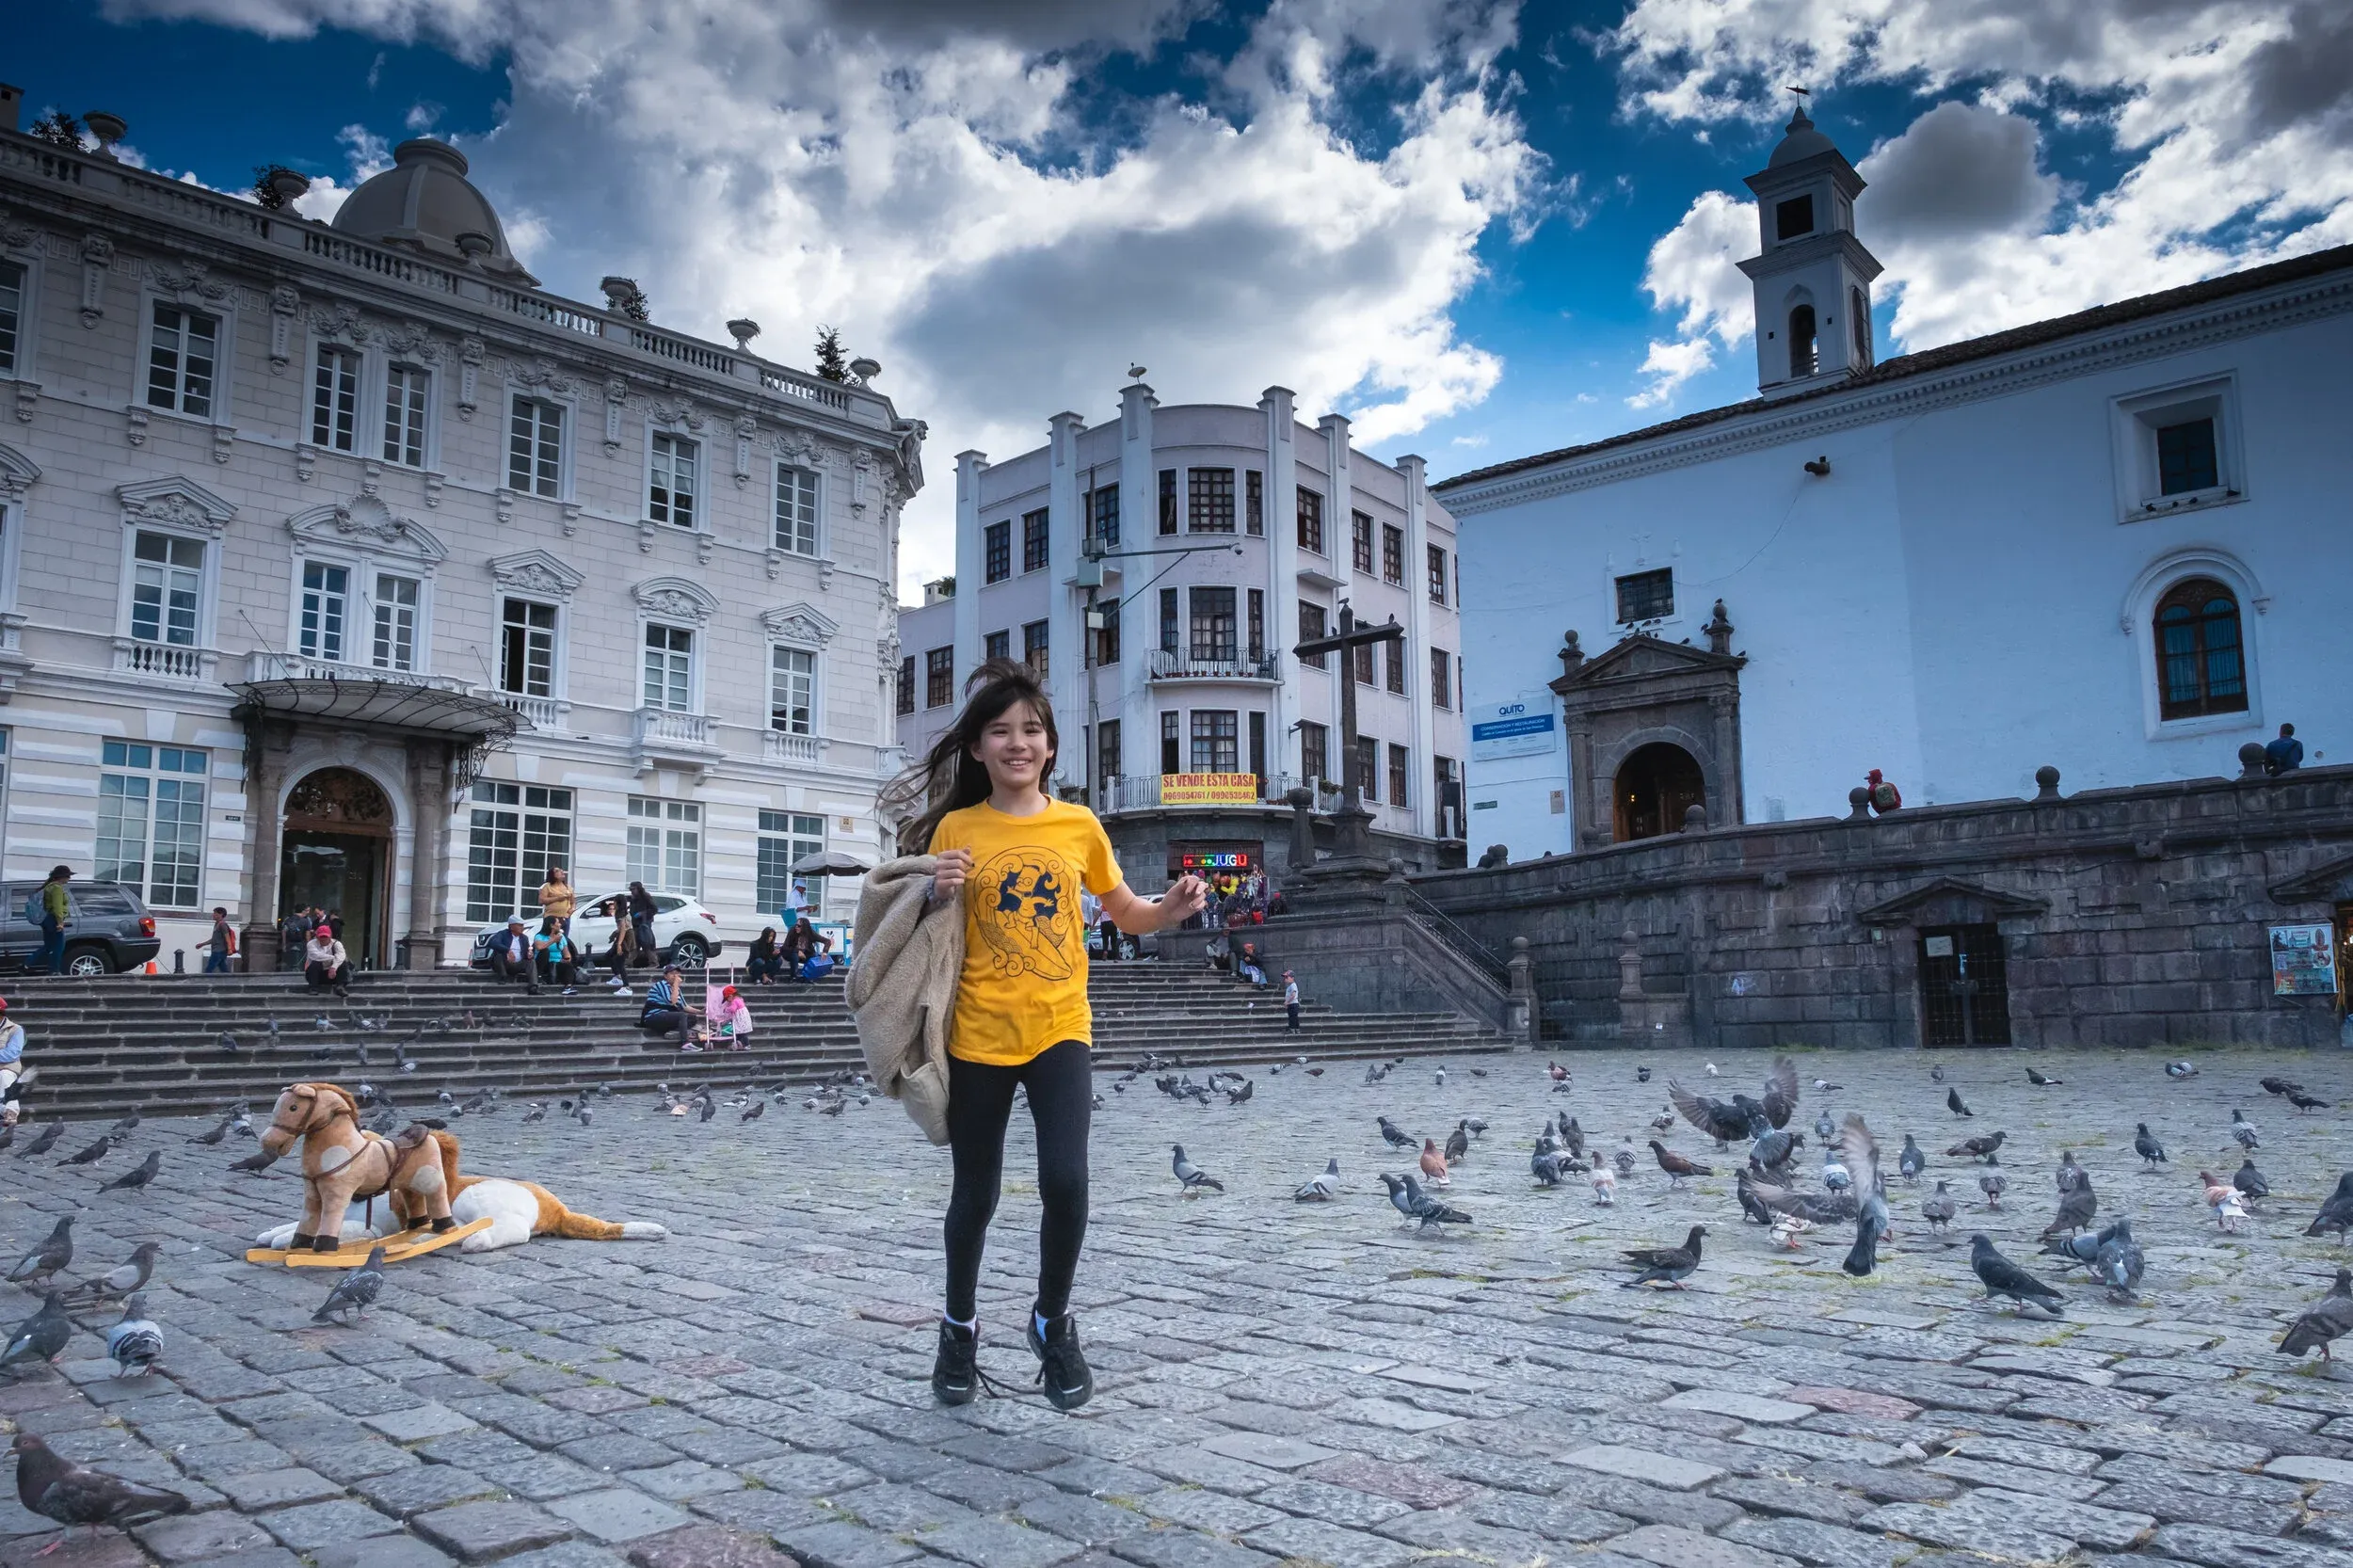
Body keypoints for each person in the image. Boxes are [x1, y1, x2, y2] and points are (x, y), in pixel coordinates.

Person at [876, 656, 1207, 1413]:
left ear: (1051, 746)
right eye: (1000, 731)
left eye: (1030, 730)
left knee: (1066, 1181)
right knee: (976, 1194)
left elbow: (1124, 911)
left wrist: (1172, 908)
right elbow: (908, 923)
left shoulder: (1079, 825)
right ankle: (957, 1329)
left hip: (1061, 1027)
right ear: (978, 749)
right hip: (978, 1032)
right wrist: (933, 888)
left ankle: (1051, 1321)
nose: (1016, 743)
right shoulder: (957, 827)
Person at [26, 867, 69, 977]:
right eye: (68, 876)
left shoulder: (48, 887)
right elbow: (57, 907)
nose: (69, 879)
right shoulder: (56, 888)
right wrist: (60, 923)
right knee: (59, 947)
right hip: (54, 919)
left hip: (46, 919)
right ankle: (54, 970)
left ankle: (26, 964)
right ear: (61, 877)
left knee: (49, 946)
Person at [638, 964, 692, 1046]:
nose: (675, 976)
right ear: (665, 976)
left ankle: (674, 1032)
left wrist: (701, 1011)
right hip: (653, 1016)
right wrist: (676, 985)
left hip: (666, 1016)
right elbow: (672, 1002)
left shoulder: (676, 989)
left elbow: (685, 1006)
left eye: (677, 973)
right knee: (682, 1015)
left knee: (693, 1018)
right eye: (672, 973)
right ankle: (685, 1043)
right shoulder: (662, 985)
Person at [487, 916, 538, 994]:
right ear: (511, 926)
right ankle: (503, 976)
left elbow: (526, 953)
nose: (522, 927)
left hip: (518, 964)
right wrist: (508, 950)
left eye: (523, 925)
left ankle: (533, 986)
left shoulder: (524, 938)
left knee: (531, 961)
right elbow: (493, 943)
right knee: (498, 956)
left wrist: (529, 955)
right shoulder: (503, 934)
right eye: (520, 925)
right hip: (505, 964)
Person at [533, 917, 581, 994]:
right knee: (545, 951)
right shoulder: (539, 936)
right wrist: (553, 940)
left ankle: (568, 987)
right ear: (552, 925)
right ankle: (539, 977)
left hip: (557, 963)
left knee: (568, 965)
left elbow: (566, 952)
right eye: (558, 923)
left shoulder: (561, 937)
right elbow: (539, 947)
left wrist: (567, 959)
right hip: (544, 963)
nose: (560, 924)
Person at [303, 922, 353, 996]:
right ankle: (313, 988)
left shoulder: (337, 943)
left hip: (334, 975)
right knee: (315, 963)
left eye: (325, 937)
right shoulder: (311, 944)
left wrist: (333, 967)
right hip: (317, 976)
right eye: (321, 937)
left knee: (342, 962)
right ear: (317, 937)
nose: (323, 939)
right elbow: (316, 956)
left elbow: (341, 956)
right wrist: (333, 958)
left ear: (330, 937)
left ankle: (340, 987)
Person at [0, 999, 24, 1126]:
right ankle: (3, 1110)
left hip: (7, 1067)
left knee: (5, 1076)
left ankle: (11, 1112)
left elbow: (12, 1054)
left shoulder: (16, 1030)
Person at [710, 984, 754, 1048]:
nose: (727, 1001)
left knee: (742, 1033)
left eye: (727, 999)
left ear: (730, 996)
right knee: (740, 1032)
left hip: (740, 1019)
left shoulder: (735, 1001)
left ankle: (746, 1045)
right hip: (744, 1018)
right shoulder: (740, 999)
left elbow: (733, 1009)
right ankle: (740, 1044)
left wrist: (726, 1009)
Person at [626, 882, 659, 968]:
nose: (632, 891)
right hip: (635, 924)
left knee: (647, 944)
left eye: (633, 889)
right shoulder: (633, 899)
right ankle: (628, 963)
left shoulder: (646, 897)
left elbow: (654, 909)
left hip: (644, 925)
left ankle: (654, 962)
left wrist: (642, 914)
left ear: (638, 889)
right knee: (634, 945)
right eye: (631, 890)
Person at [538, 866, 576, 934]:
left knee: (563, 940)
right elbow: (541, 901)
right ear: (552, 875)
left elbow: (573, 902)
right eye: (557, 871)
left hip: (565, 918)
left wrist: (571, 910)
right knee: (549, 937)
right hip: (551, 919)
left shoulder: (568, 887)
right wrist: (558, 898)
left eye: (561, 870)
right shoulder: (547, 886)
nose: (561, 871)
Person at [202, 907, 237, 974]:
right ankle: (231, 981)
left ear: (221, 914)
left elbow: (227, 938)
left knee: (209, 969)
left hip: (218, 951)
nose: (213, 915)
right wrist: (202, 944)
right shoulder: (216, 924)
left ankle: (203, 982)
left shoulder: (222, 925)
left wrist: (230, 949)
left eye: (215, 913)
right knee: (223, 969)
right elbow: (214, 939)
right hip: (219, 951)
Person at [1283, 969, 1301, 1033]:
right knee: (1293, 1017)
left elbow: (1293, 995)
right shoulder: (1291, 986)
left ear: (1292, 978)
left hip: (1293, 1004)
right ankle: (1296, 1029)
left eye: (1287, 977)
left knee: (1292, 1017)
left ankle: (1292, 1029)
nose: (1285, 979)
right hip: (1292, 1004)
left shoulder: (1293, 985)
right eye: (1285, 977)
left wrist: (1287, 1002)